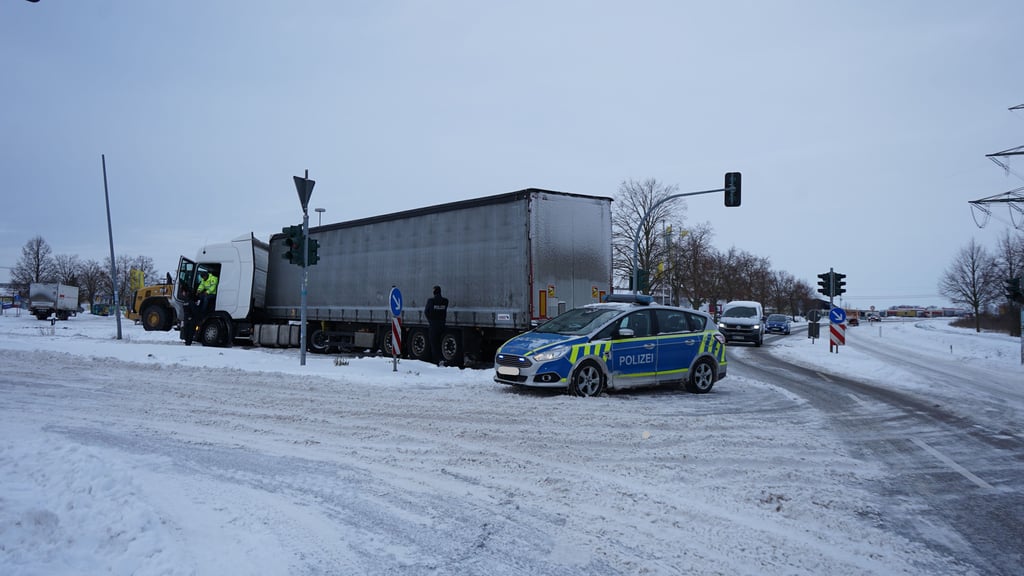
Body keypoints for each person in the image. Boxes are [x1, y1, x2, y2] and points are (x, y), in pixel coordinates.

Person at [424, 285, 449, 365]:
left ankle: (436, 361)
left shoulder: (431, 301)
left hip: (433, 325)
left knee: (434, 344)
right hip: (442, 325)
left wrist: (430, 320)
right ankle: (442, 358)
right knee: (441, 342)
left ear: (434, 292)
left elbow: (426, 312)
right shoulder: (445, 301)